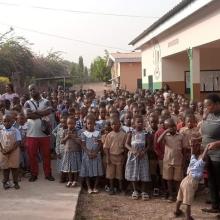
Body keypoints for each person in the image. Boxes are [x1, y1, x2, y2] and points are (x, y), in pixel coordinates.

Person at [24, 84, 54, 182]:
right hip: (31, 135)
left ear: (38, 89)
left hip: (45, 134)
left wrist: (35, 112)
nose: (32, 91)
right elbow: (28, 115)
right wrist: (42, 112)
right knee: (32, 155)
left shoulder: (46, 101)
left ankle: (48, 174)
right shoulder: (27, 103)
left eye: (34, 89)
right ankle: (34, 174)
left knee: (46, 155)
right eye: (30, 90)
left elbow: (49, 111)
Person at [175, 134, 208, 220]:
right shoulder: (201, 162)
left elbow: (192, 151)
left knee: (180, 198)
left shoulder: (193, 159)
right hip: (191, 182)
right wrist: (207, 148)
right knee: (188, 202)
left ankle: (176, 211)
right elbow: (204, 156)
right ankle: (188, 217)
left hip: (185, 180)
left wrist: (192, 144)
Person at [201, 94, 220, 213]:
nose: (206, 107)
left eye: (209, 105)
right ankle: (215, 206)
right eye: (205, 105)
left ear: (217, 104)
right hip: (208, 153)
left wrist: (218, 143)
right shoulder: (209, 115)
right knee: (212, 181)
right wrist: (198, 139)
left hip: (218, 155)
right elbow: (206, 133)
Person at [157, 118, 184, 202]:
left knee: (177, 179)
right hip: (168, 161)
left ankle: (178, 196)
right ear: (166, 127)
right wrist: (165, 131)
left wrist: (183, 160)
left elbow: (183, 149)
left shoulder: (180, 136)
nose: (172, 128)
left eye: (173, 126)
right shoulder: (165, 136)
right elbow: (158, 141)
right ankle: (171, 195)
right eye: (169, 127)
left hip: (178, 160)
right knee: (169, 179)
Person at [125, 115, 150, 200]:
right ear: (134, 124)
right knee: (134, 172)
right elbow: (126, 144)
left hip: (143, 156)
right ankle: (135, 191)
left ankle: (144, 191)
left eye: (141, 122)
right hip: (133, 156)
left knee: (144, 172)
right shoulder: (131, 133)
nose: (140, 124)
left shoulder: (145, 133)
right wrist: (132, 150)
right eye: (138, 122)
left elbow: (148, 145)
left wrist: (144, 151)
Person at [80, 115, 103, 194]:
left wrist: (96, 152)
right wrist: (88, 152)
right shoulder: (84, 133)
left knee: (97, 171)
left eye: (92, 123)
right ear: (86, 124)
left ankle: (95, 187)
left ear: (95, 124)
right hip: (87, 156)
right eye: (88, 123)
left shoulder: (98, 133)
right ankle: (89, 187)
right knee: (87, 172)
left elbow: (100, 144)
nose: (90, 125)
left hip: (96, 155)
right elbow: (83, 145)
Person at [103, 117, 126, 195]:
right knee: (111, 174)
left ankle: (121, 188)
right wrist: (107, 157)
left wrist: (124, 157)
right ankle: (111, 188)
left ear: (120, 124)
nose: (115, 125)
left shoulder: (123, 134)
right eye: (113, 124)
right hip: (111, 156)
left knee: (120, 174)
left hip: (120, 156)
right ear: (111, 126)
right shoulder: (109, 135)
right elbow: (106, 147)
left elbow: (125, 148)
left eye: (117, 124)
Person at [0, 114, 21, 189]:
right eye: (4, 121)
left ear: (12, 122)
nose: (7, 123)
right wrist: (2, 149)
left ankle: (16, 182)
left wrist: (10, 150)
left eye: (9, 121)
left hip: (14, 152)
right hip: (3, 152)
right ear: (2, 121)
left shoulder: (16, 131)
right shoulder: (1, 130)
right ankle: (5, 182)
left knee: (14, 168)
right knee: (5, 168)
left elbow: (18, 142)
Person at [61, 116, 82, 187]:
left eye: (72, 123)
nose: (70, 125)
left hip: (75, 152)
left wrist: (73, 137)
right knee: (69, 168)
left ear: (75, 123)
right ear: (67, 124)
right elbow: (62, 142)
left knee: (75, 168)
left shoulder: (77, 131)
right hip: (67, 152)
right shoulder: (65, 131)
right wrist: (67, 137)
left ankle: (75, 180)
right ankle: (70, 180)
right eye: (69, 123)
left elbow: (79, 141)